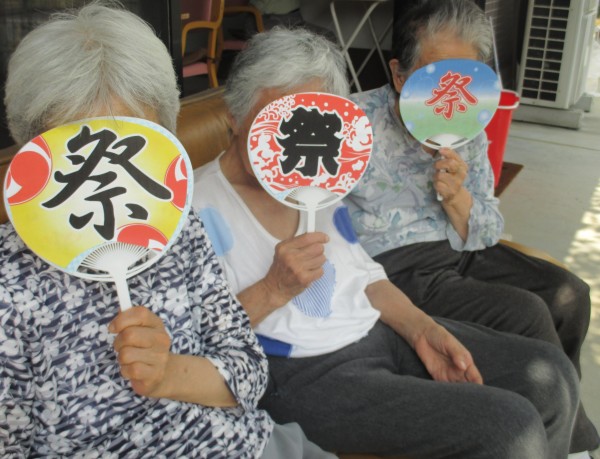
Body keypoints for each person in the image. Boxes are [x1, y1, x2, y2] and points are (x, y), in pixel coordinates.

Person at [192, 26, 581, 459]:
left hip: (376, 333)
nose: (293, 137)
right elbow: (187, 341)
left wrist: (423, 330)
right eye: (276, 119)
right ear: (234, 115)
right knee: (510, 429)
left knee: (551, 378)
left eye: (306, 119)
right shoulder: (194, 206)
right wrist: (271, 290)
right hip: (301, 373)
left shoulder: (314, 174)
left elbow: (366, 275)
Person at [0, 3, 336, 458]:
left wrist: (168, 373)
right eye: (79, 155)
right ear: (32, 147)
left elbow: (250, 373)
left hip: (250, 445)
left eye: (129, 150)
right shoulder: (10, 284)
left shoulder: (175, 225)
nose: (108, 177)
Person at [344, 0, 600, 455]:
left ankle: (564, 433)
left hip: (461, 248)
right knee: (526, 311)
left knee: (568, 294)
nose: (449, 91)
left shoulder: (466, 123)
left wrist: (458, 198)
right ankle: (557, 437)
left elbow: (487, 230)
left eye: (463, 78)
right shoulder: (352, 124)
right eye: (434, 78)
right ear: (400, 75)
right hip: (396, 268)